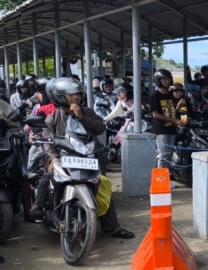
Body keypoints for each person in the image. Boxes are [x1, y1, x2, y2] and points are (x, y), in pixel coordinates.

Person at [29, 78, 134, 238]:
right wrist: (53, 158)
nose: (76, 97)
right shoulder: (52, 118)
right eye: (71, 95)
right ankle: (38, 205)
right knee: (48, 176)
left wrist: (81, 116)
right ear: (60, 97)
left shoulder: (88, 112)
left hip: (88, 157)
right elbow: (47, 140)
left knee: (103, 184)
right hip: (63, 157)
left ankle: (113, 227)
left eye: (78, 94)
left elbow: (100, 128)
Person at [150, 69, 180, 168]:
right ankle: (160, 181)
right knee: (164, 155)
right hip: (161, 129)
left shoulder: (171, 94)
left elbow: (174, 109)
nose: (167, 81)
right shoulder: (155, 95)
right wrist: (174, 120)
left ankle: (167, 180)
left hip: (172, 128)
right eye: (164, 79)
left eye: (168, 79)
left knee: (169, 155)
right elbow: (155, 114)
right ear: (158, 80)